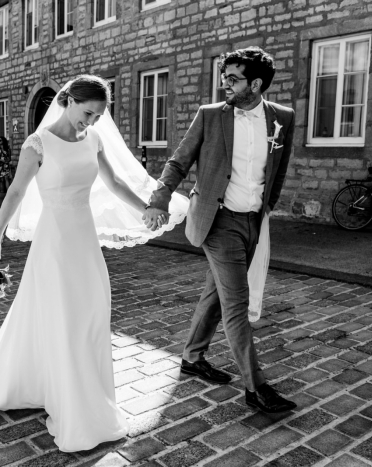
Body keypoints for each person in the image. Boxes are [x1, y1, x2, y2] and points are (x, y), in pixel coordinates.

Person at [0, 75, 188, 452]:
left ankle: (82, 392)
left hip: (83, 240)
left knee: (92, 312)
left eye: (98, 116)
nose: (91, 122)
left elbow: (113, 184)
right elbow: (16, 191)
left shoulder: (93, 140)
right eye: (87, 112)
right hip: (54, 242)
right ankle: (71, 402)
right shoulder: (39, 143)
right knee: (64, 317)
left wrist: (146, 208)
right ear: (68, 100)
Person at [145, 47, 296, 413]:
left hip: (254, 221)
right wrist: (159, 198)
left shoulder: (282, 118)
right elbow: (179, 159)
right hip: (218, 221)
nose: (224, 84)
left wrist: (267, 207)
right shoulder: (210, 116)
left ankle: (193, 356)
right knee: (236, 302)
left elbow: (279, 168)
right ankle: (255, 386)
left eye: (233, 78)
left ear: (256, 83)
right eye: (223, 77)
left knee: (216, 293)